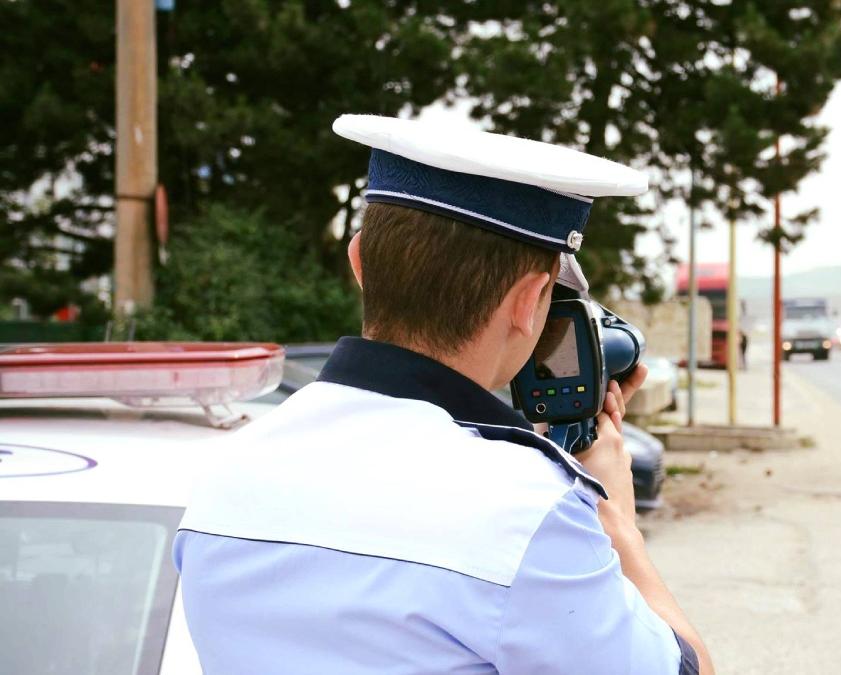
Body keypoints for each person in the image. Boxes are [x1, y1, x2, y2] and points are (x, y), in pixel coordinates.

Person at [174, 114, 713, 674]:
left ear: (359, 262)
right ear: (530, 302)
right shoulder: (528, 514)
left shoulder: (224, 478)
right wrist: (617, 522)